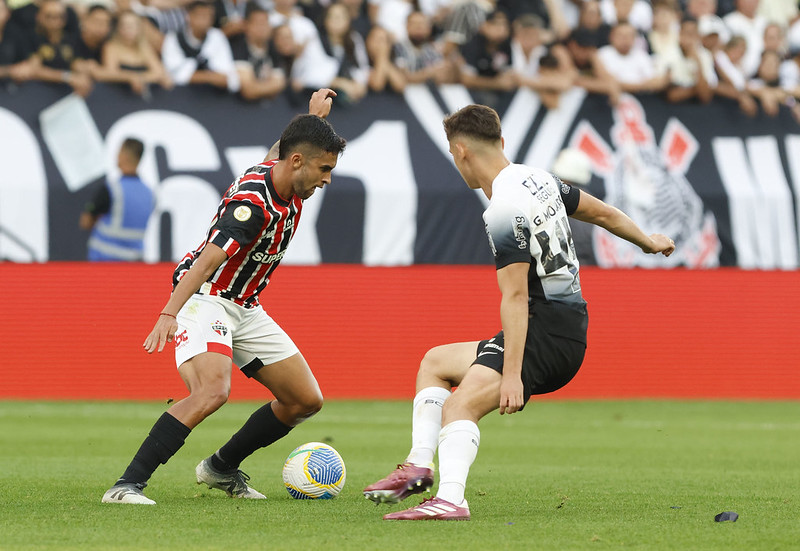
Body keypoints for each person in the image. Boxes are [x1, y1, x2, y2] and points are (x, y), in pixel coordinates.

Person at [363, 104, 675, 521]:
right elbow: (602, 212)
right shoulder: (539, 178)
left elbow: (514, 298)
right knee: (435, 362)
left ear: (460, 153)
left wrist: (512, 375)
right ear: (502, 143)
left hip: (545, 333)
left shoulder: (502, 210)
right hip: (565, 323)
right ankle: (419, 467)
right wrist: (646, 242)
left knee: (460, 408)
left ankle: (451, 500)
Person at [101, 89, 346, 505]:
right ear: (298, 162)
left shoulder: (281, 169)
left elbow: (278, 149)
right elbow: (207, 261)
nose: (326, 179)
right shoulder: (253, 205)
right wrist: (169, 312)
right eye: (324, 169)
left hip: (245, 306)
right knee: (212, 392)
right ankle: (125, 486)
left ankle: (220, 466)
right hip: (206, 296)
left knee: (304, 400)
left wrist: (309, 118)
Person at [80, 138, 154, 261]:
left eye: (119, 151)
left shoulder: (111, 189)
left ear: (125, 155)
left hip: (104, 261)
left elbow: (86, 222)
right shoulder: (150, 193)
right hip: (134, 264)